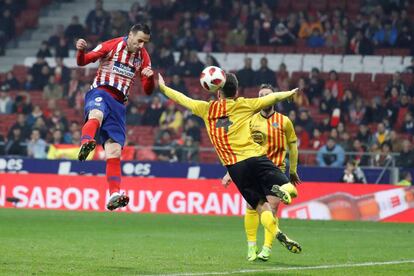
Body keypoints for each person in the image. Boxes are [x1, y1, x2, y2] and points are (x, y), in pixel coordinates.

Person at [158, 72, 298, 259]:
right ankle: (285, 194)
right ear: (237, 91)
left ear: (217, 92)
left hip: (235, 166)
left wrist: (163, 87)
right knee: (289, 189)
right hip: (256, 157)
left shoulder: (205, 109)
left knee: (259, 205)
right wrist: (289, 93)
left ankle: (275, 231)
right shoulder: (244, 104)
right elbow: (272, 98)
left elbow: (183, 99)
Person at [75, 23, 154, 211]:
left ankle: (114, 194)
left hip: (119, 105)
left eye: (145, 42)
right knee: (96, 114)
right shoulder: (112, 45)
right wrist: (80, 51)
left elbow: (148, 90)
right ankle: (86, 141)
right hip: (101, 92)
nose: (142, 45)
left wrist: (149, 78)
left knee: (114, 151)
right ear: (130, 35)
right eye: (140, 40)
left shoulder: (143, 57)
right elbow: (83, 61)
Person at [222, 84, 302, 262]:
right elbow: (238, 145)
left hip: (276, 169)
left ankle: (266, 248)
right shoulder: (250, 120)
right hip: (253, 167)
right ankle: (251, 247)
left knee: (271, 208)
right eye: (261, 95)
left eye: (268, 94)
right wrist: (230, 172)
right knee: (251, 206)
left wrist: (293, 169)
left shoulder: (284, 121)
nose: (264, 97)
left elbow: (293, 146)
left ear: (273, 98)